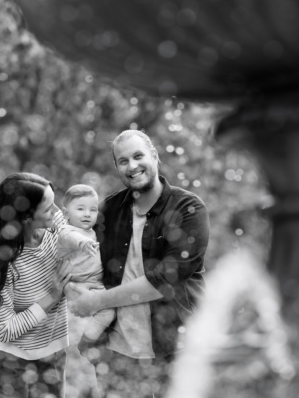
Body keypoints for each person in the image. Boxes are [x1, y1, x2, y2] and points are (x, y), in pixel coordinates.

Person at [68, 129, 210, 397]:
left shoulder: (188, 209)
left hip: (177, 348)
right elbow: (82, 262)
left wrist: (97, 302)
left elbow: (166, 280)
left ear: (154, 156)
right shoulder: (107, 211)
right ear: (117, 167)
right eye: (123, 161)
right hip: (118, 351)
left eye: (138, 156)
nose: (132, 166)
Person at [0, 172, 72, 398]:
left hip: (52, 353)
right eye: (49, 208)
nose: (58, 212)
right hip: (9, 360)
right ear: (27, 217)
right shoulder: (1, 264)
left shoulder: (57, 228)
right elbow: (5, 329)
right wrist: (53, 296)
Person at [57, 184, 116, 355]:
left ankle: (87, 341)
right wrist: (83, 242)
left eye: (93, 210)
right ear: (66, 213)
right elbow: (71, 238)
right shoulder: (66, 231)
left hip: (95, 283)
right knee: (80, 314)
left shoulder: (92, 231)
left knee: (109, 311)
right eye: (80, 209)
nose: (87, 214)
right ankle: (82, 345)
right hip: (77, 284)